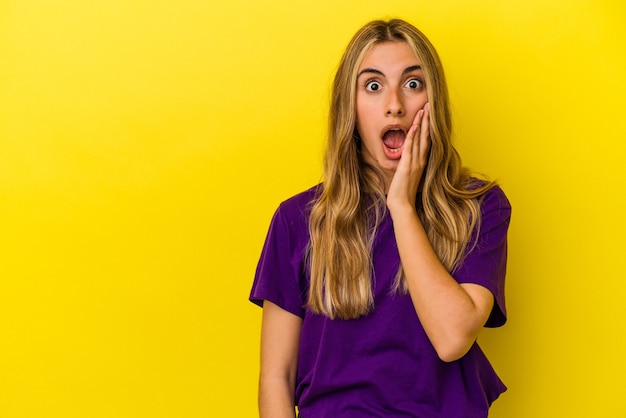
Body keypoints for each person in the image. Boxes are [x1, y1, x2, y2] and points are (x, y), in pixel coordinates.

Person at [249, 18, 511, 418]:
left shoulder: (479, 206)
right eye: (373, 86)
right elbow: (276, 379)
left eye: (412, 84)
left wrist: (402, 206)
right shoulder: (297, 221)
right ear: (349, 108)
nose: (395, 104)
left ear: (433, 100)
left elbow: (452, 337)